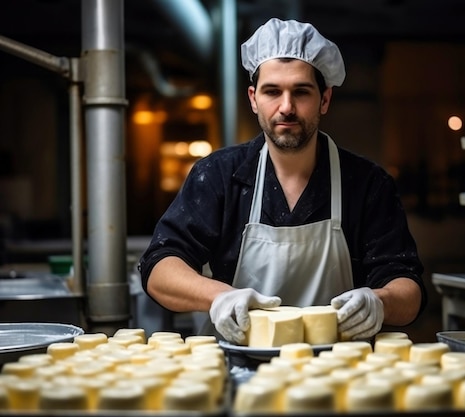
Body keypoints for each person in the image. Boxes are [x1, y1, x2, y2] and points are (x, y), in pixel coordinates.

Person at [138, 17, 427, 345]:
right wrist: (218, 297)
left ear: (325, 99)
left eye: (301, 92)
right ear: (253, 98)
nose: (286, 107)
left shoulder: (368, 184)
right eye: (272, 91)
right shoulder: (218, 175)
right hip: (237, 369)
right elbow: (160, 266)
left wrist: (381, 302)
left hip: (339, 373)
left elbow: (408, 288)